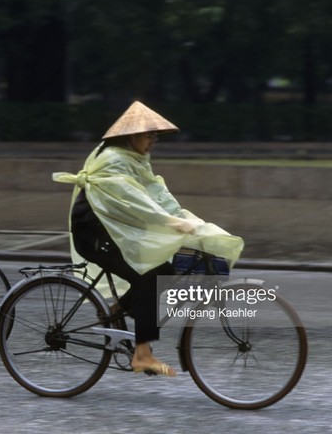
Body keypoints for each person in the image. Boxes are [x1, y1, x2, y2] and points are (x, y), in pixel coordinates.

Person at [53, 101, 244, 376]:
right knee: (148, 275)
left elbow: (155, 194)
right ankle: (142, 355)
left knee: (164, 266)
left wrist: (189, 221)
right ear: (131, 136)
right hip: (94, 233)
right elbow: (135, 202)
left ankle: (122, 307)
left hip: (113, 230)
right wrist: (171, 222)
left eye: (155, 136)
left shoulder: (134, 158)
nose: (153, 141)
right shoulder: (113, 160)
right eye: (148, 135)